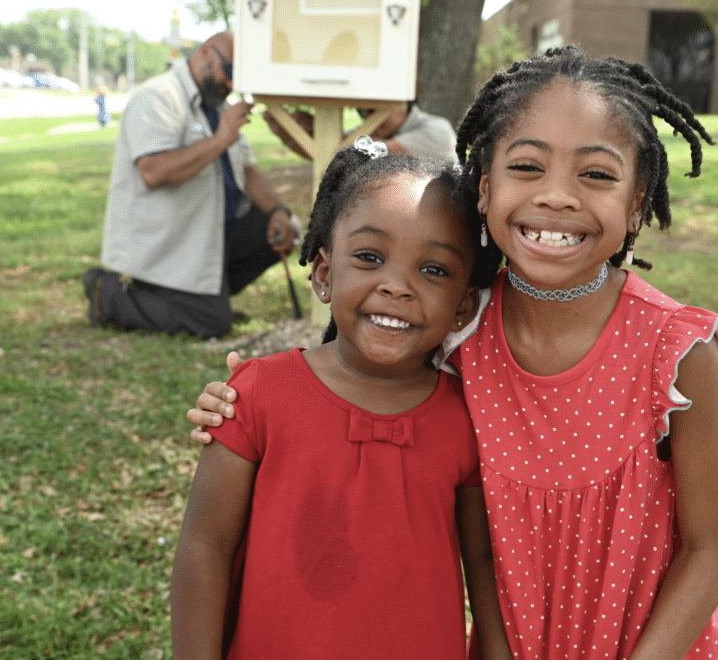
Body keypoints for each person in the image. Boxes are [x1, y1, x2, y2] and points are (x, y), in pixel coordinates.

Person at [188, 46, 718, 659]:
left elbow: (712, 546)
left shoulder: (674, 351)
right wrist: (242, 399)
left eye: (597, 174)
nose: (557, 197)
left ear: (638, 202)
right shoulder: (461, 327)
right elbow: (362, 364)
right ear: (485, 187)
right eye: (528, 167)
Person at [170, 137, 511, 659]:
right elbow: (205, 546)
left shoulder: (467, 417)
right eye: (370, 257)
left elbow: (481, 561)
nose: (397, 286)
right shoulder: (259, 393)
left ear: (464, 306)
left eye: (434, 269)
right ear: (325, 275)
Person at [84, 31, 299, 338]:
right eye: (230, 71)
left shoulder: (219, 106)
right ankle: (107, 293)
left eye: (241, 78)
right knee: (212, 323)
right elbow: (154, 171)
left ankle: (205, 297)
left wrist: (278, 210)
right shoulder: (158, 96)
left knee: (287, 228)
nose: (232, 85)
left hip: (209, 234)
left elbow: (248, 170)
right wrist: (220, 139)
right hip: (167, 243)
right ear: (204, 53)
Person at [264, 101, 457, 162]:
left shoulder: (438, 131)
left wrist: (315, 126)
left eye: (373, 110)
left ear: (400, 105)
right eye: (361, 111)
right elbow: (325, 155)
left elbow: (348, 152)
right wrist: (285, 134)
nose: (367, 119)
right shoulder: (384, 130)